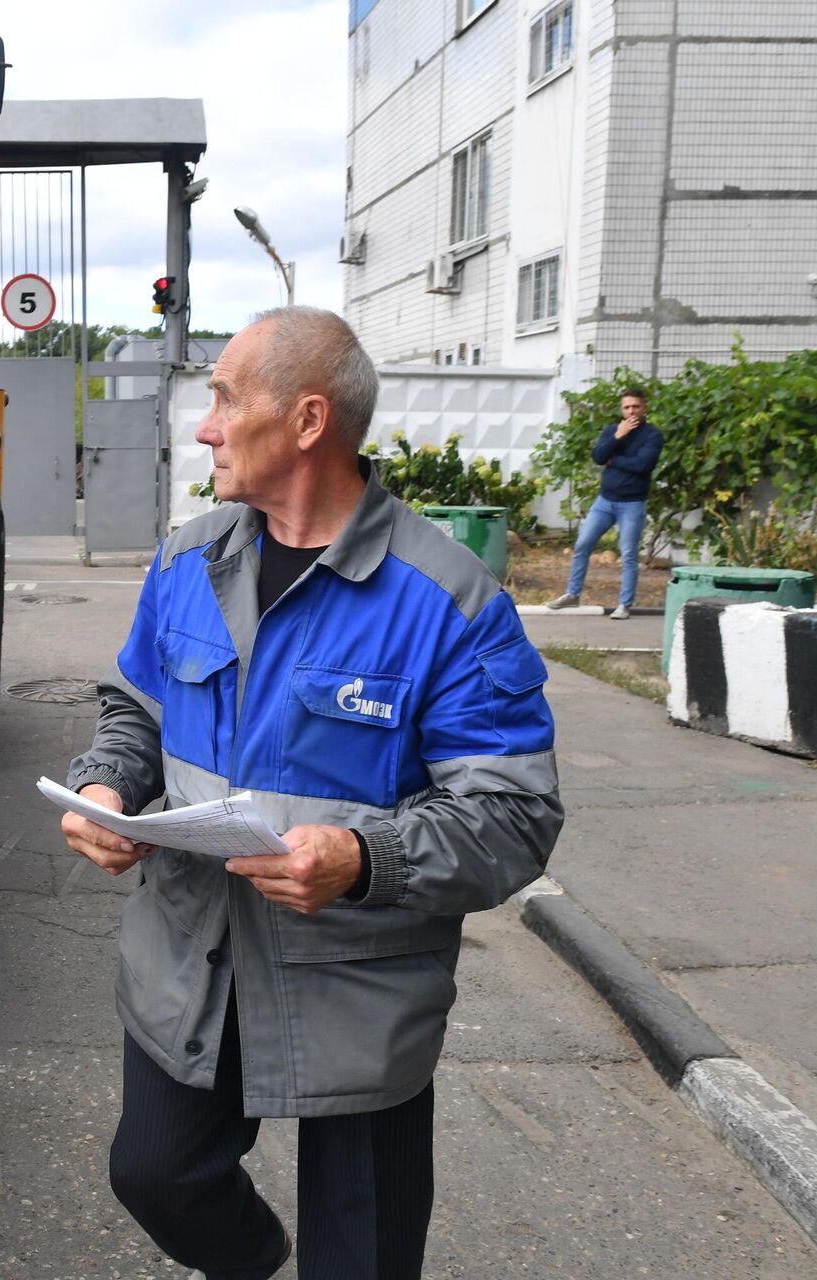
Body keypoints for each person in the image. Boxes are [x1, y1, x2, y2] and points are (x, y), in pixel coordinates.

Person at [60, 307, 563, 1280]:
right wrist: (107, 782)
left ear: (305, 421)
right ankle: (251, 1260)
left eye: (225, 398)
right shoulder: (186, 561)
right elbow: (136, 707)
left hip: (359, 985)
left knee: (365, 1258)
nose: (205, 426)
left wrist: (366, 858)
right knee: (155, 1172)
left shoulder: (449, 602)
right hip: (190, 958)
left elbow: (514, 813)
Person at [547, 387, 664, 619]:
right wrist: (617, 437)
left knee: (628, 554)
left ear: (644, 408)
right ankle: (572, 594)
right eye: (627, 407)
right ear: (621, 409)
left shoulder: (652, 435)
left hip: (632, 503)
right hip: (605, 501)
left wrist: (615, 460)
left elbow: (643, 465)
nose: (631, 411)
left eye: (636, 406)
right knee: (582, 545)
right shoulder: (613, 430)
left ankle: (624, 604)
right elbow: (598, 457)